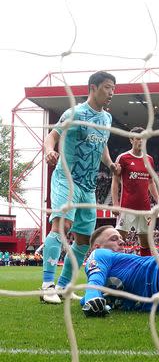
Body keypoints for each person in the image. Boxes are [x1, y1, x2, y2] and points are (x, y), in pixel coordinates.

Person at [41, 71, 121, 304]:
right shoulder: (74, 113)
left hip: (89, 186)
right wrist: (49, 151)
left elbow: (103, 145)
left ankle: (64, 287)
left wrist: (110, 164)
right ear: (93, 88)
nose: (111, 93)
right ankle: (47, 286)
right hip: (67, 179)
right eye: (107, 87)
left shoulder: (106, 119)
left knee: (84, 239)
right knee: (62, 225)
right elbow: (52, 137)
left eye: (114, 89)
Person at [112, 127, 159, 257]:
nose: (141, 141)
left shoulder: (149, 159)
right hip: (127, 206)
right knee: (118, 239)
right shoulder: (123, 158)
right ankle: (115, 268)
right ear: (131, 140)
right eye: (138, 138)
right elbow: (115, 181)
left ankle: (145, 270)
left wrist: (158, 200)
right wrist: (115, 204)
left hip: (145, 208)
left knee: (146, 241)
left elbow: (151, 182)